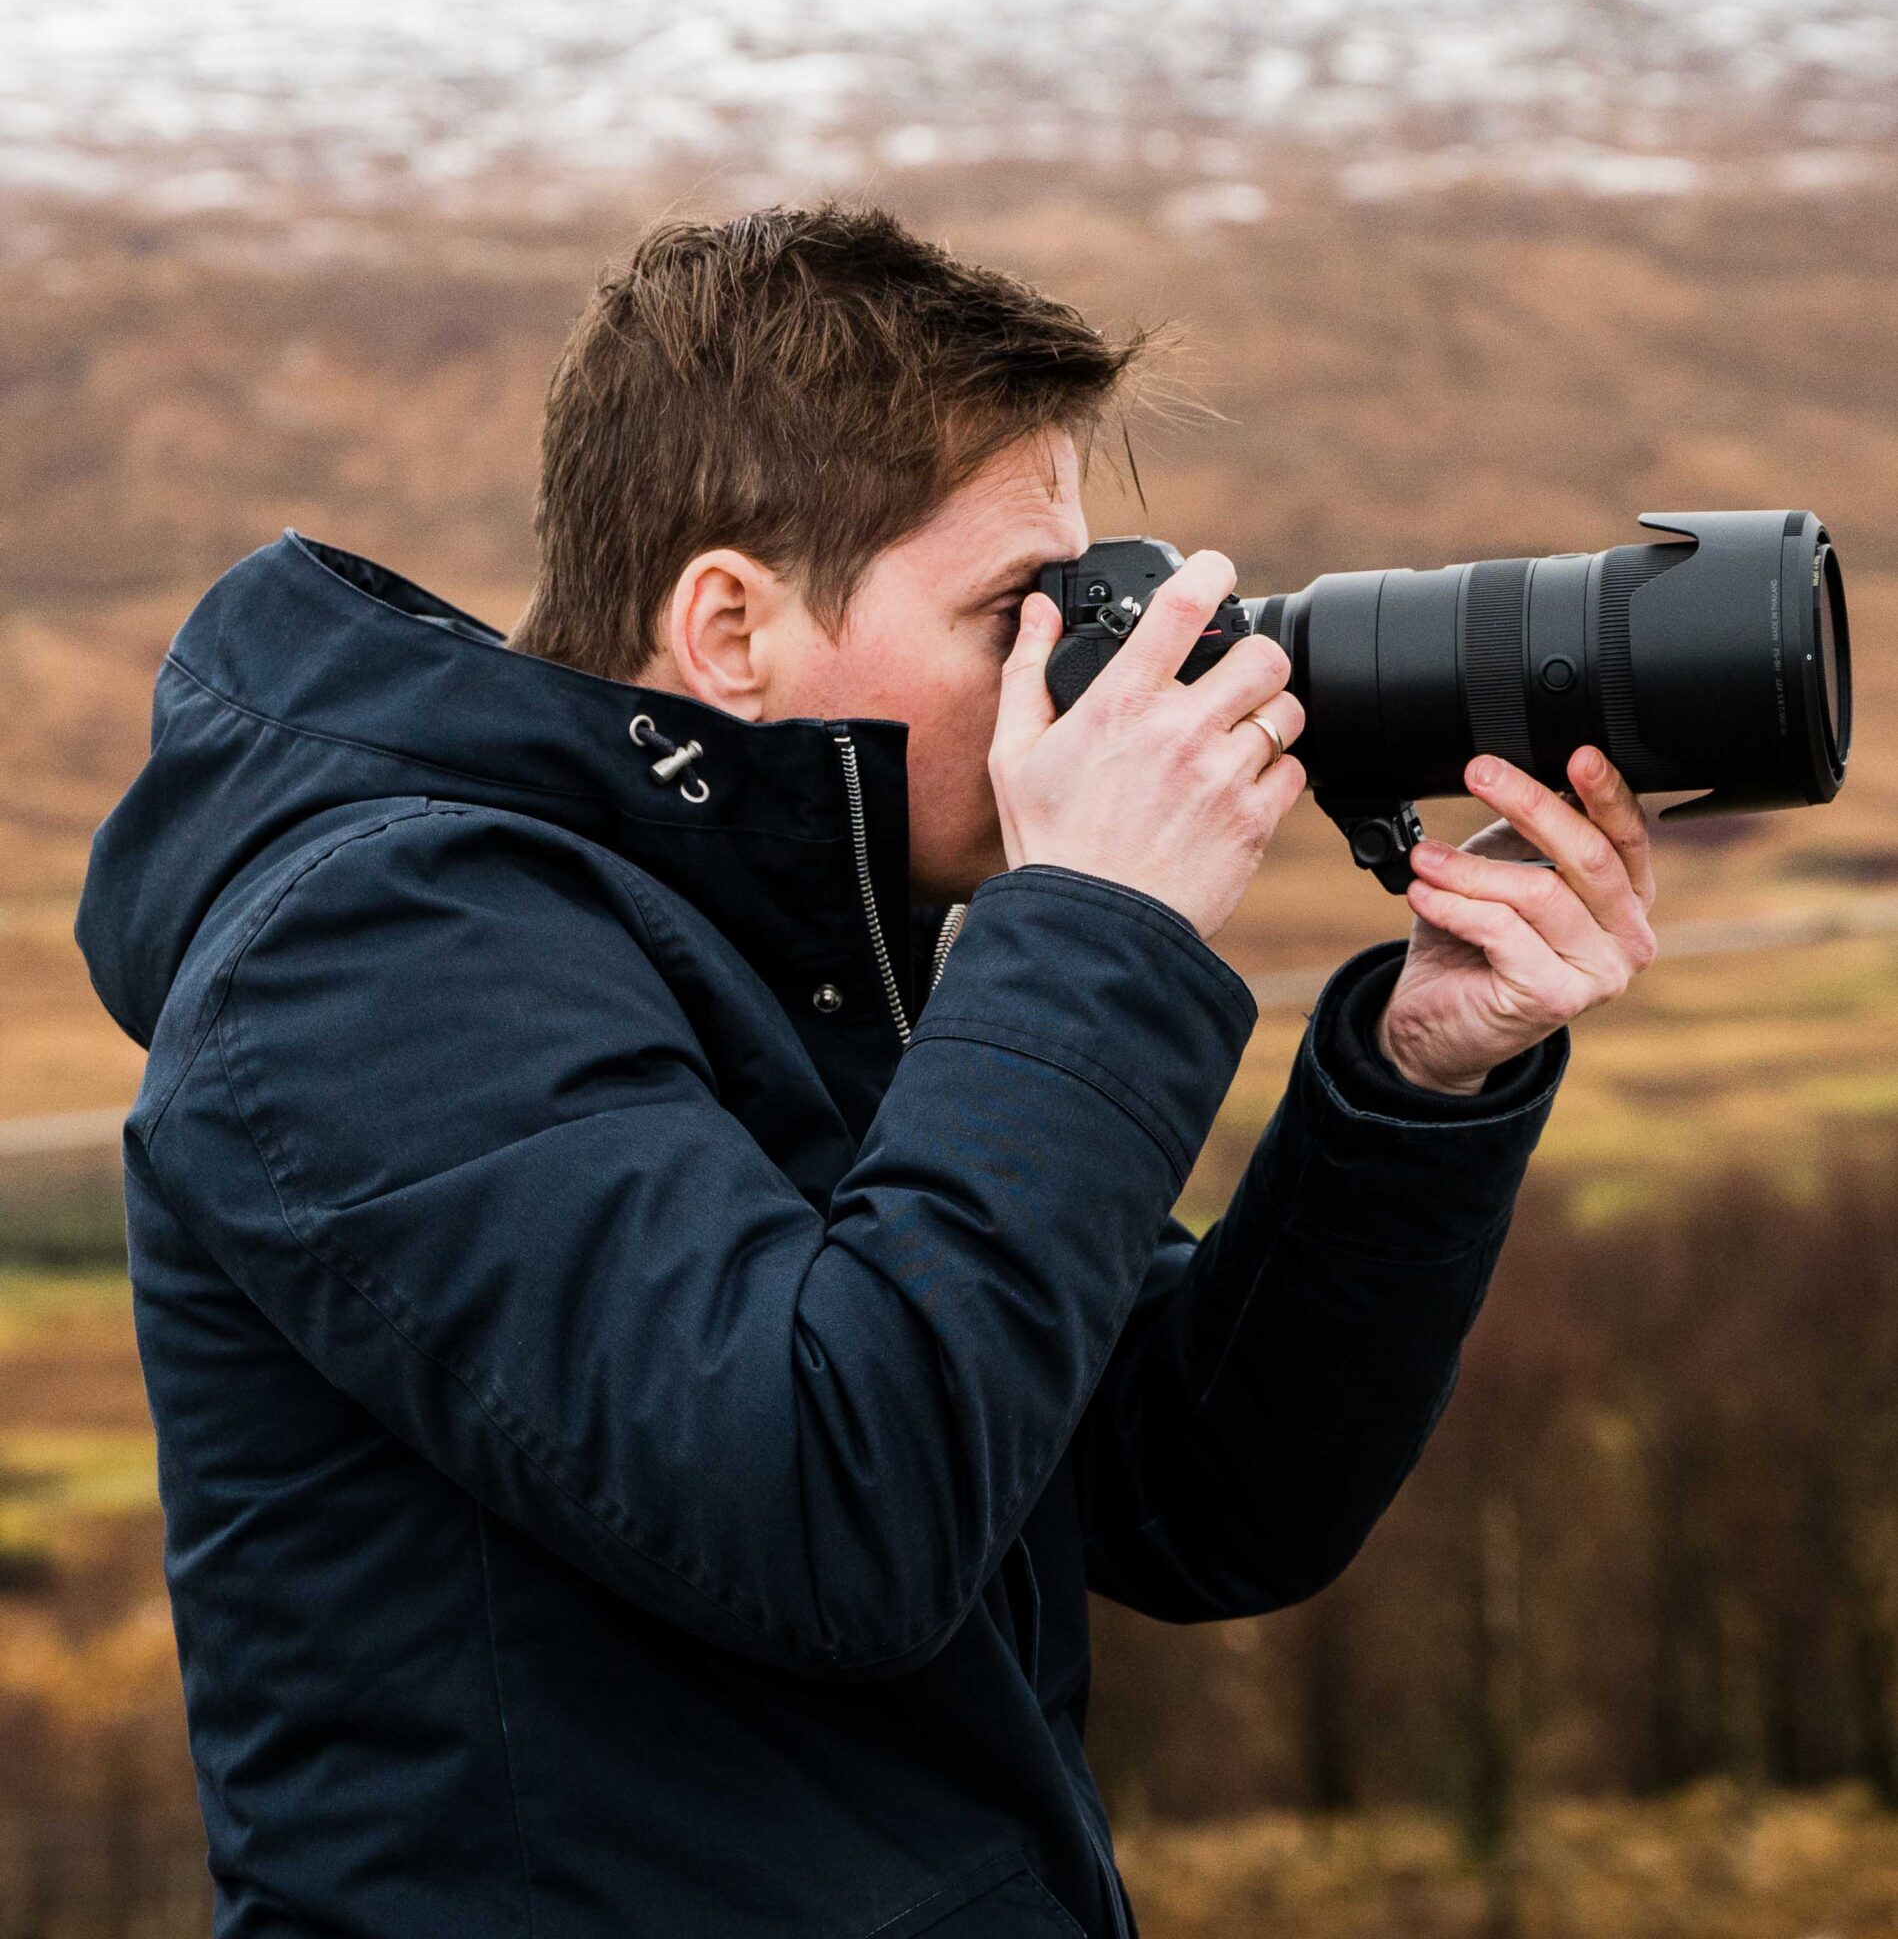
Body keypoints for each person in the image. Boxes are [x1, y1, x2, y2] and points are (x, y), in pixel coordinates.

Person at [76, 206, 1659, 1939]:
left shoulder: (786, 947)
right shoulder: (381, 957)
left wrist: (1412, 1090)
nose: (1078, 662)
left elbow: (1193, 1497)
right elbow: (834, 1509)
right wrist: (1097, 924)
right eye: (1014, 611)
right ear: (730, 629)